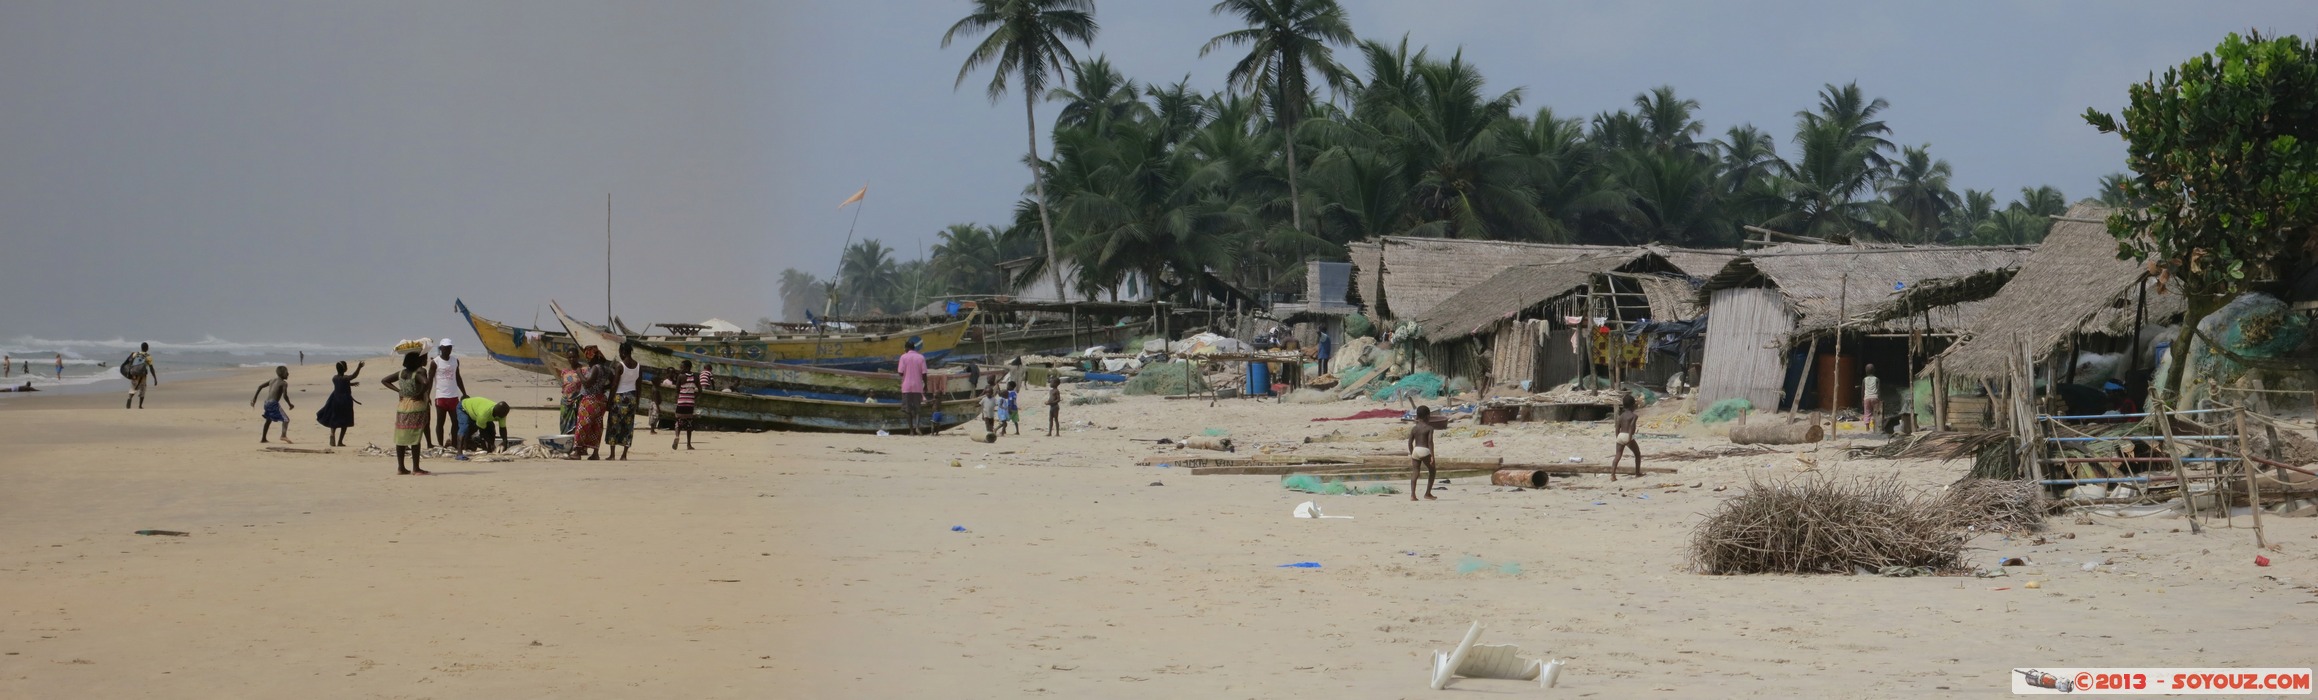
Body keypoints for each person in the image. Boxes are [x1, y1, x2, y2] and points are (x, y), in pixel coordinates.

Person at [377, 352, 432, 475]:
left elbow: (384, 380)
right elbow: (426, 382)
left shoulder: (401, 373)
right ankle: (416, 468)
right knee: (415, 437)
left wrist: (399, 391)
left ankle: (401, 467)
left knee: (401, 437)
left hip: (402, 406)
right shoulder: (415, 374)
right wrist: (419, 394)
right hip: (415, 407)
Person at [569, 347, 613, 460]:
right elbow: (613, 382)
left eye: (588, 357)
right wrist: (603, 387)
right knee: (596, 426)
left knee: (582, 425)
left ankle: (577, 451)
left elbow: (587, 383)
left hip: (590, 400)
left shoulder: (596, 368)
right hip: (601, 400)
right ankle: (595, 453)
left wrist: (578, 371)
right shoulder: (606, 369)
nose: (587, 360)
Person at [315, 361, 363, 447]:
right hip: (345, 401)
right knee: (345, 421)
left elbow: (340, 384)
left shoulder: (334, 378)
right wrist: (359, 367)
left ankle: (332, 434)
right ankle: (340, 441)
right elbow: (353, 376)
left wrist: (351, 384)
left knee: (334, 419)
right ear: (345, 369)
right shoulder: (345, 378)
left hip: (334, 399)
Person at [428, 339, 466, 448]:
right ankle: (440, 444)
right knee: (440, 422)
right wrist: (427, 395)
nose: (448, 350)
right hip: (441, 396)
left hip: (453, 396)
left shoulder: (455, 361)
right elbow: (430, 379)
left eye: (449, 347)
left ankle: (453, 444)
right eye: (445, 348)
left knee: (456, 422)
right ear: (441, 348)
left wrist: (464, 392)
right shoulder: (435, 362)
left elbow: (457, 377)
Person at [607, 343, 642, 460]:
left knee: (614, 425)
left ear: (622, 352)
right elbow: (639, 386)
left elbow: (614, 385)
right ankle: (624, 455)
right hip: (632, 397)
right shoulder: (638, 366)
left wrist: (609, 400)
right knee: (628, 426)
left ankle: (612, 455)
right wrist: (637, 401)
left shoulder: (620, 366)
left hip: (619, 398)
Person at [249, 366, 296, 443]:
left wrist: (254, 399)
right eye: (286, 372)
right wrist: (290, 404)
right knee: (286, 419)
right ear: (282, 374)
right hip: (273, 403)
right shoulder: (284, 383)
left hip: (266, 403)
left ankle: (263, 438)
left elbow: (260, 387)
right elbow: (285, 396)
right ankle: (283, 435)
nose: (288, 373)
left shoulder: (272, 380)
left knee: (268, 420)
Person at [898, 337, 928, 436]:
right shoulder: (921, 357)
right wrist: (926, 385)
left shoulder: (903, 357)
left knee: (908, 410)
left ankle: (911, 431)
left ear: (907, 348)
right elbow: (924, 374)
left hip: (906, 386)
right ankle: (917, 427)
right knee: (917, 408)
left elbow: (900, 372)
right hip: (917, 386)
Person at [1408, 405, 1438, 501]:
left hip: (1415, 450)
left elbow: (1409, 442)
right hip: (1424, 450)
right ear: (1427, 416)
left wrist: (1412, 453)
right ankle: (1427, 493)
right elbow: (1430, 442)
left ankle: (1413, 495)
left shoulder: (1414, 428)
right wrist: (1432, 456)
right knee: (1432, 471)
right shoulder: (1429, 428)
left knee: (1415, 472)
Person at [670, 359, 701, 450]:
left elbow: (677, 390)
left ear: (687, 368)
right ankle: (688, 444)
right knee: (689, 424)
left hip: (681, 402)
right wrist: (693, 397)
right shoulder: (695, 377)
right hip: (690, 404)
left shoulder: (681, 376)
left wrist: (679, 398)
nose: (680, 369)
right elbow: (700, 390)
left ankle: (677, 436)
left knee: (678, 421)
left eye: (682, 367)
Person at [1611, 394, 1642, 480]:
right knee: (1637, 453)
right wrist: (1630, 438)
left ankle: (1613, 475)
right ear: (1633, 405)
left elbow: (1617, 428)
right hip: (1628, 435)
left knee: (1618, 455)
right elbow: (1632, 427)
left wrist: (1617, 437)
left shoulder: (1621, 416)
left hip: (1620, 435)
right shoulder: (1634, 416)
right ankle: (1637, 473)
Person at [123, 342, 159, 409]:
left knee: (133, 387)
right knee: (142, 389)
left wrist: (128, 373)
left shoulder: (135, 354)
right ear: (147, 348)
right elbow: (151, 368)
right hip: (142, 375)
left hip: (134, 374)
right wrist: (155, 378)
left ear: (141, 347)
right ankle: (140, 406)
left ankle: (129, 398)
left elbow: (129, 362)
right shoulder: (148, 356)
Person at [556, 348, 583, 435]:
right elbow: (564, 387)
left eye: (574, 357)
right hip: (565, 403)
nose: (572, 359)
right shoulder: (564, 371)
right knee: (564, 425)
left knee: (577, 425)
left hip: (577, 402)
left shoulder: (584, 370)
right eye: (570, 357)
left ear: (578, 357)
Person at [1861, 363, 1881, 433]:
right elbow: (1878, 390)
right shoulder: (1877, 379)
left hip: (1867, 398)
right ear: (1874, 371)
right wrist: (1879, 399)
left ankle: (1867, 428)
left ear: (1866, 371)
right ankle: (1875, 427)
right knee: (1875, 412)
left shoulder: (1864, 380)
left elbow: (1862, 391)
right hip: (1875, 397)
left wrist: (1862, 400)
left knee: (1867, 412)